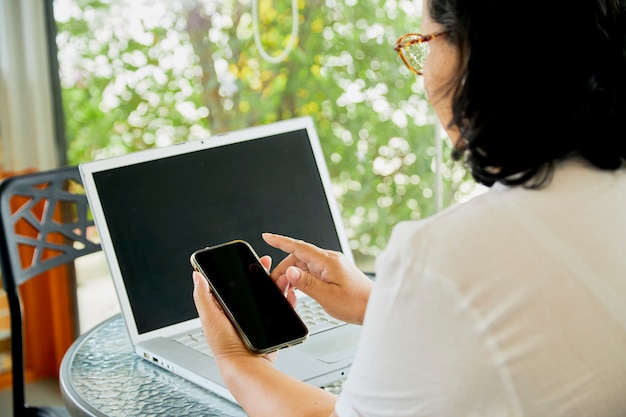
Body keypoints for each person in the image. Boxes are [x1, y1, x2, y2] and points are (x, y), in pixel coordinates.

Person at [192, 0, 626, 415]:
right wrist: (383, 306)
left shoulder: (444, 257)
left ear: (479, 56)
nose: (423, 76)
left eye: (424, 42)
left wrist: (235, 358)